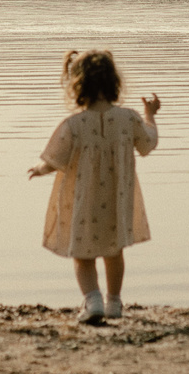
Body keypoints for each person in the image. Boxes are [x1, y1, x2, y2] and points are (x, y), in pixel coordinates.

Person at [27, 48, 160, 323]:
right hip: (117, 200)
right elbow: (149, 143)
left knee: (82, 256)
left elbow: (54, 159)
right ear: (114, 83)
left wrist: (40, 169)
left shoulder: (74, 125)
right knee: (114, 253)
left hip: (83, 202)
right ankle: (114, 303)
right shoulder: (129, 118)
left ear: (77, 86)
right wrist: (151, 115)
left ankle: (93, 300)